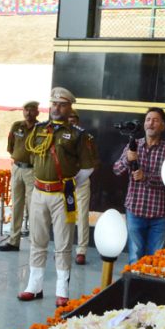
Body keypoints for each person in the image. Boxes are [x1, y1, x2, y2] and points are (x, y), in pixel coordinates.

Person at [18, 87, 98, 307]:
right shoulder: (39, 129)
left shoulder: (77, 135)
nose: (56, 108)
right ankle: (34, 286)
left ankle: (62, 290)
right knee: (37, 241)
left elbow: (88, 167)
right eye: (53, 104)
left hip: (62, 196)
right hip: (39, 192)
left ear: (70, 107)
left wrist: (70, 185)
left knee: (63, 244)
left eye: (61, 104)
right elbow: (26, 155)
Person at [113, 107, 165, 264]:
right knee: (135, 256)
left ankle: (151, 287)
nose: (151, 123)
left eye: (155, 120)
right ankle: (135, 288)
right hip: (135, 210)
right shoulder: (133, 145)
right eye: (148, 119)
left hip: (159, 213)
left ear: (163, 126)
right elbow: (116, 170)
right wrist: (127, 159)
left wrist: (146, 177)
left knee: (155, 258)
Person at [0, 100, 39, 252]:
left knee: (33, 207)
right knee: (16, 205)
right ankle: (13, 241)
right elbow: (10, 146)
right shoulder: (16, 126)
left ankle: (36, 243)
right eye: (26, 109)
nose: (28, 112)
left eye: (32, 110)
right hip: (17, 168)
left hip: (31, 171)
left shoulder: (40, 129)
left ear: (37, 112)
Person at [68, 110, 95, 265]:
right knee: (65, 217)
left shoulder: (86, 138)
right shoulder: (58, 136)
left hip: (82, 180)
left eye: (74, 120)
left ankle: (81, 250)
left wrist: (81, 176)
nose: (71, 122)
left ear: (78, 121)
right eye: (68, 120)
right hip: (64, 182)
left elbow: (93, 160)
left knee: (82, 216)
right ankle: (64, 249)